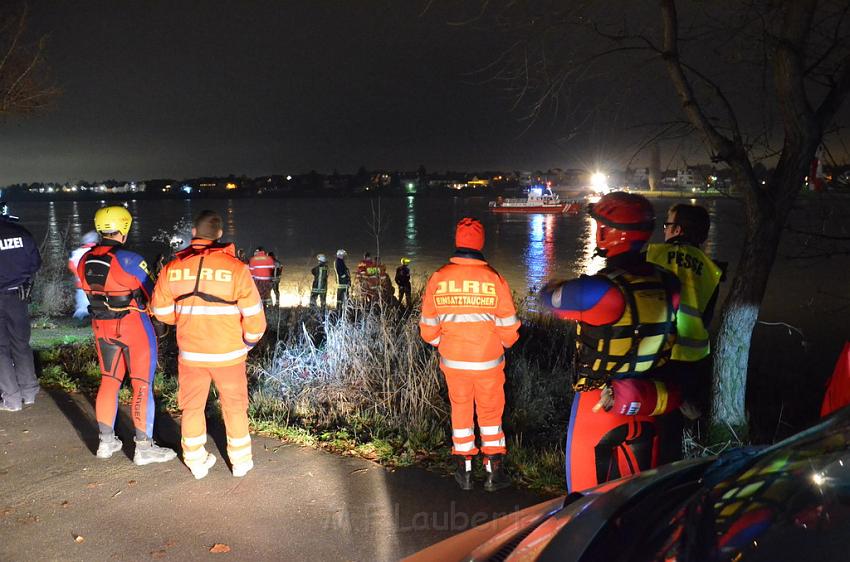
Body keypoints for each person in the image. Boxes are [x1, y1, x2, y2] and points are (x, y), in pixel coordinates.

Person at [539, 192, 683, 493]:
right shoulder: (669, 282)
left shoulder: (600, 291)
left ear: (605, 233)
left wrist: (555, 287)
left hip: (598, 407)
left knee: (584, 500)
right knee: (638, 497)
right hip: (646, 399)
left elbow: (549, 299)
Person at [151, 210, 266, 479]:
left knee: (191, 407)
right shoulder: (237, 269)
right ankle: (240, 462)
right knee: (235, 407)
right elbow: (255, 317)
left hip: (191, 353)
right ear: (219, 235)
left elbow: (160, 309)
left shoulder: (173, 268)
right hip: (229, 354)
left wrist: (183, 318)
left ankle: (196, 461)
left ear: (193, 234)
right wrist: (248, 342)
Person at [419, 218, 521, 491]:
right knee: (490, 413)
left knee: (461, 411)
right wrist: (502, 344)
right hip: (488, 362)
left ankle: (463, 470)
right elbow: (509, 327)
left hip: (454, 362)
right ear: (481, 243)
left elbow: (428, 329)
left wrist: (444, 343)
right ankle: (493, 471)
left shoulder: (439, 278)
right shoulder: (494, 278)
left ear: (457, 241)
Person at [78, 206, 176, 465]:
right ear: (124, 228)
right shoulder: (130, 259)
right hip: (133, 328)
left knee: (109, 380)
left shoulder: (83, 261)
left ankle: (106, 442)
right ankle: (144, 447)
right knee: (141, 383)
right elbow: (153, 293)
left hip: (101, 328)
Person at [645, 203, 724, 462]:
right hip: (694, 357)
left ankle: (651, 483)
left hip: (658, 354)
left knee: (654, 422)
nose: (665, 231)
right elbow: (706, 315)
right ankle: (674, 472)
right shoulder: (711, 269)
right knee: (674, 428)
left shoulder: (654, 255)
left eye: (667, 225)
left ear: (677, 229)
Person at [0, 201, 41, 412]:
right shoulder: (22, 233)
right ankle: (29, 393)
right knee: (22, 344)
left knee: (1, 350)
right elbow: (35, 264)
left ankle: (12, 400)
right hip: (19, 296)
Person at [68, 231, 99, 321]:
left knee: (82, 307)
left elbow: (71, 266)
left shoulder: (76, 252)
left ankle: (79, 323)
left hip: (80, 285)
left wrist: (80, 276)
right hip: (97, 285)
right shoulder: (98, 252)